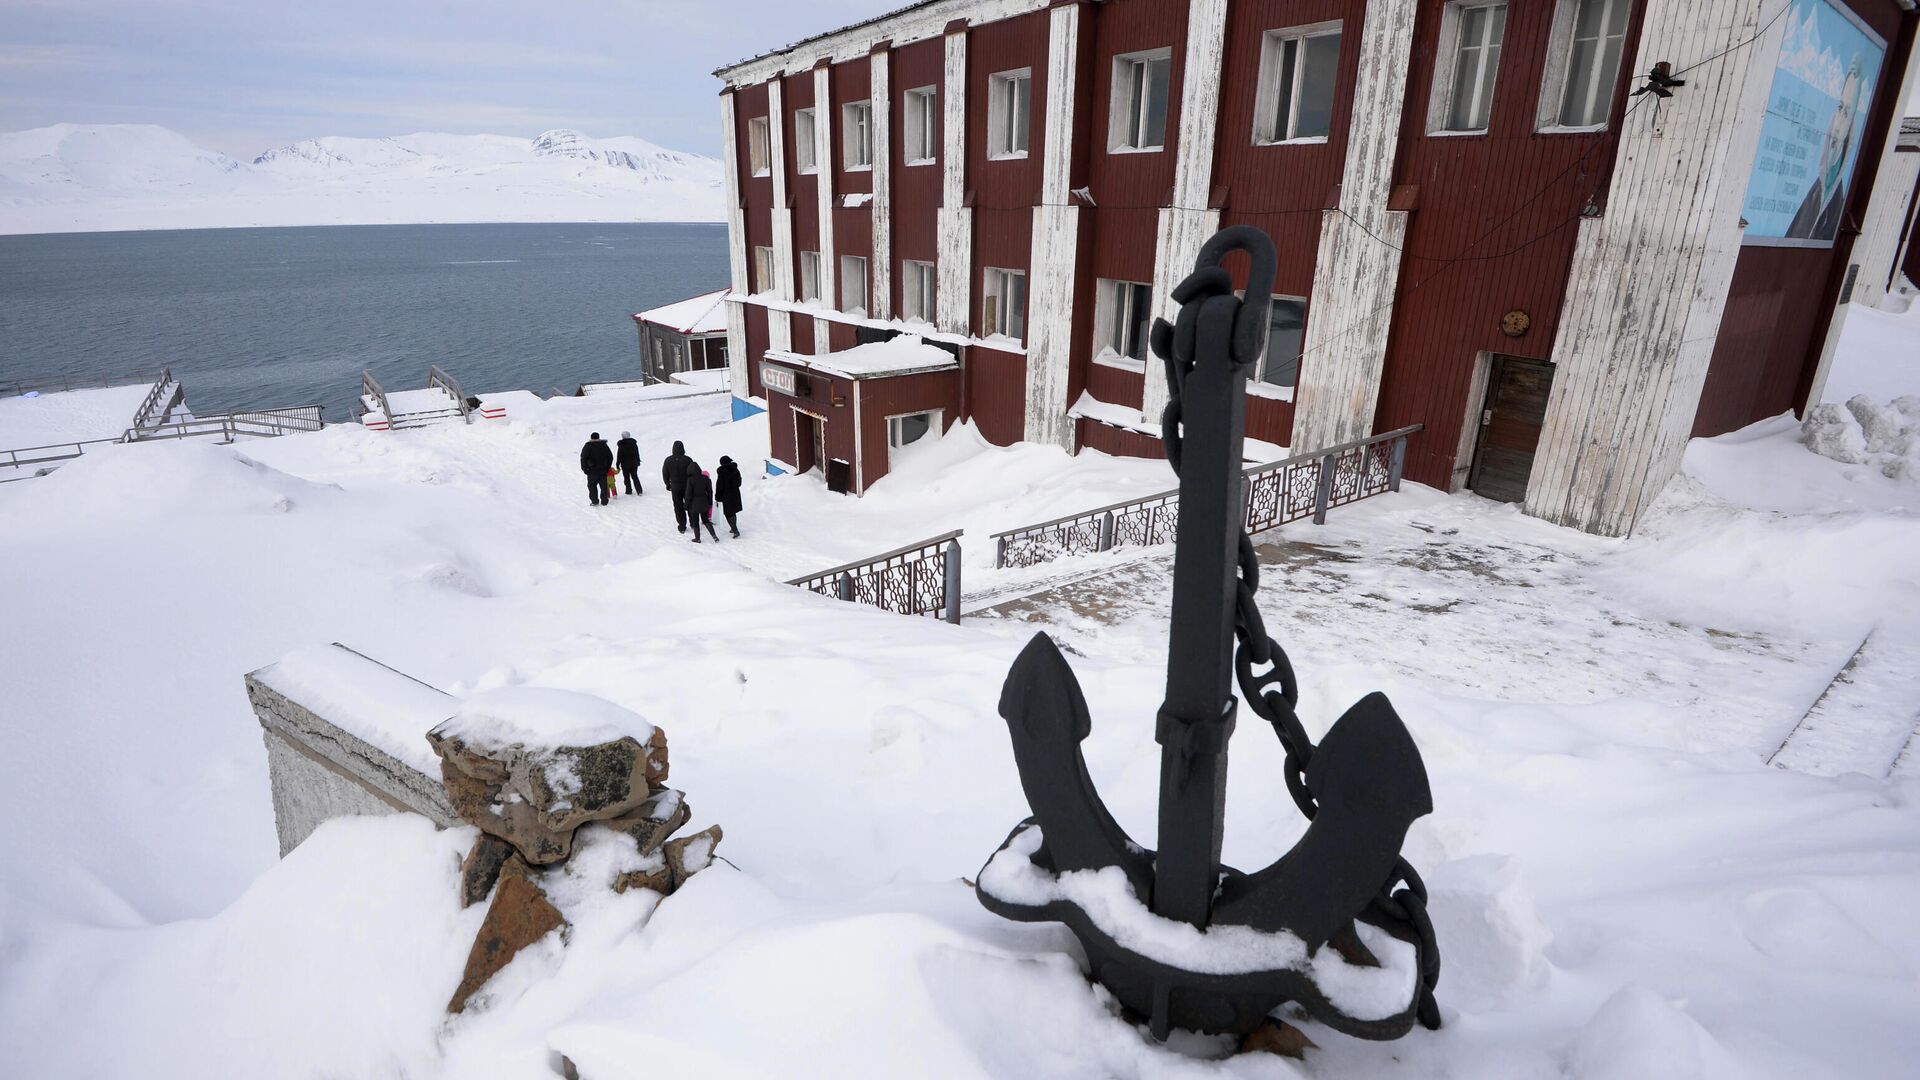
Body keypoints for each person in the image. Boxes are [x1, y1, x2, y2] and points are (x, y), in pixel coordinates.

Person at [661, 439, 694, 532]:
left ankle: (682, 526)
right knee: (690, 504)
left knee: (678, 506)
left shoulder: (668, 460)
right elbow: (693, 472)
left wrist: (667, 484)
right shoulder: (688, 459)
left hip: (675, 487)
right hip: (687, 486)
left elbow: (665, 473)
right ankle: (693, 522)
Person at [683, 464, 720, 542]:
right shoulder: (706, 479)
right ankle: (714, 536)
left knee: (695, 522)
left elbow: (688, 494)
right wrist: (709, 502)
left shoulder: (690, 480)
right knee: (706, 520)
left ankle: (697, 538)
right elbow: (710, 492)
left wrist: (686, 505)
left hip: (694, 504)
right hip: (704, 502)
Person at [580, 432, 613, 507]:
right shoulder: (604, 445)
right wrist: (607, 467)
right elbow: (610, 457)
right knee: (603, 486)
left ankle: (594, 501)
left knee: (592, 486)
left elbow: (583, 458)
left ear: (591, 438)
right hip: (603, 470)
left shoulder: (587, 446)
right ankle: (604, 501)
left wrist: (585, 469)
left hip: (592, 471)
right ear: (598, 437)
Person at [715, 455, 743, 538]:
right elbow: (739, 483)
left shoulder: (722, 472)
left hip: (726, 495)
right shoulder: (735, 470)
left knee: (728, 513)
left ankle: (735, 530)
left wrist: (718, 497)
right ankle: (733, 528)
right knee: (733, 511)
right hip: (735, 494)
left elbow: (719, 486)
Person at [616, 431, 643, 495]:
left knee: (626, 478)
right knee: (635, 477)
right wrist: (638, 461)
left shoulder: (621, 444)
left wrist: (618, 463)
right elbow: (637, 453)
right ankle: (639, 491)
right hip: (634, 463)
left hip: (625, 464)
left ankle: (628, 490)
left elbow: (619, 455)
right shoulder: (633, 443)